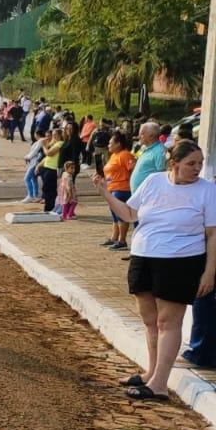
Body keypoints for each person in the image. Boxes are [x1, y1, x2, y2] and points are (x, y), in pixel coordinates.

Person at [92, 141, 216, 401]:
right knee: (150, 321)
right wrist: (105, 193)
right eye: (191, 164)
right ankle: (151, 372)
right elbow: (128, 214)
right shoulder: (153, 182)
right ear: (174, 164)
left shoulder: (207, 190)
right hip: (144, 255)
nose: (197, 169)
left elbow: (213, 234)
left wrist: (209, 272)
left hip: (181, 261)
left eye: (200, 164)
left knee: (168, 322)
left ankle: (159, 383)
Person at [102, 132, 135, 250]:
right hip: (112, 188)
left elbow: (133, 169)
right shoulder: (114, 155)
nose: (108, 145)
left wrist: (131, 184)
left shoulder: (125, 155)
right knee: (115, 216)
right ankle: (114, 238)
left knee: (121, 215)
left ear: (118, 144)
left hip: (122, 189)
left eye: (111, 143)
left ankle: (122, 240)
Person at [129, 121, 167, 193]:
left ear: (151, 136)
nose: (139, 136)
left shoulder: (160, 151)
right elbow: (133, 157)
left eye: (142, 134)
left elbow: (162, 174)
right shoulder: (144, 148)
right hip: (139, 195)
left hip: (149, 195)